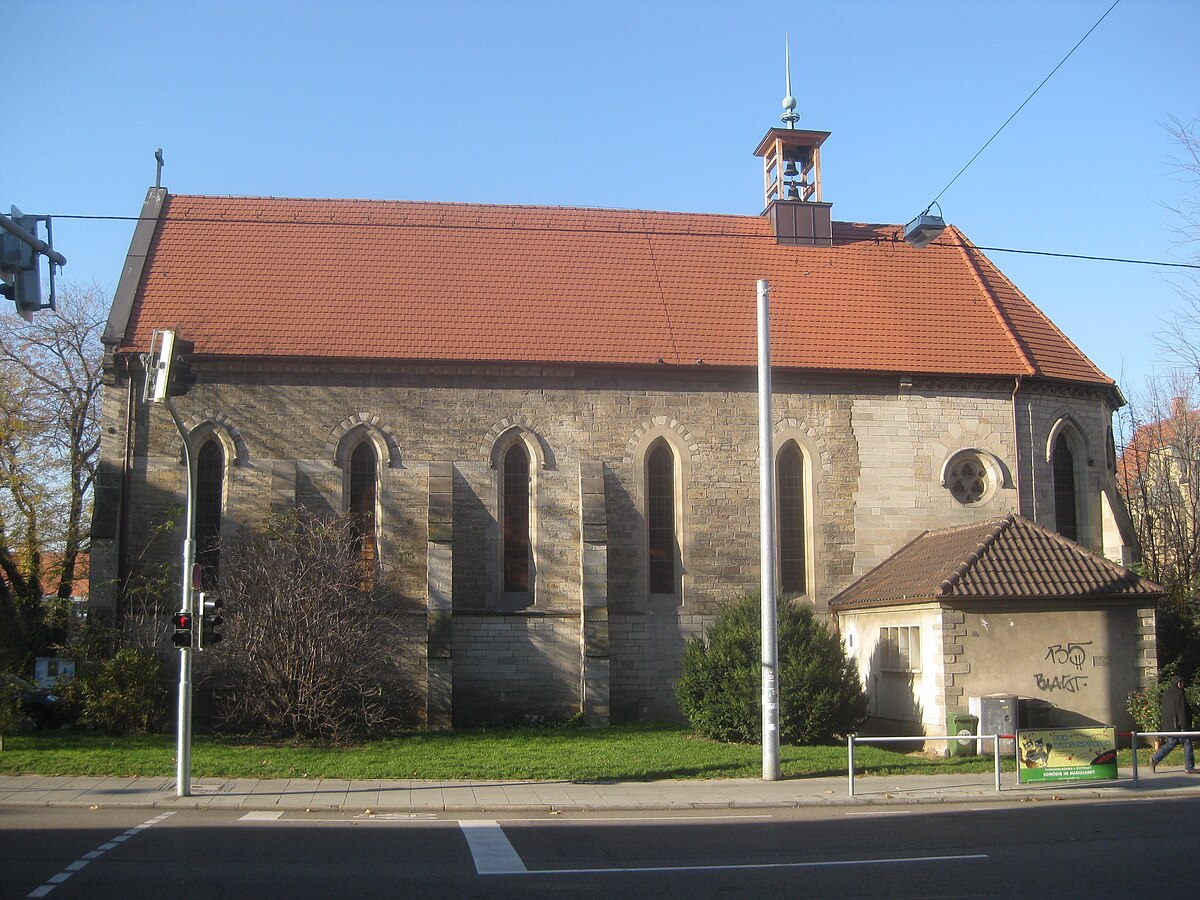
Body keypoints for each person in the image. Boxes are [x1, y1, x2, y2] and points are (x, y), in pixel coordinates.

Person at [1150, 676, 1196, 773]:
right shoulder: (1179, 694)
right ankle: (1189, 767)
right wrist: (1184, 726)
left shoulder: (1166, 694)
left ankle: (1155, 758)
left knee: (1171, 743)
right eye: (1182, 683)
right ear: (1179, 683)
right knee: (1187, 744)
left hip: (1169, 725)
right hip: (1178, 725)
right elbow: (1181, 711)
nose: (1183, 685)